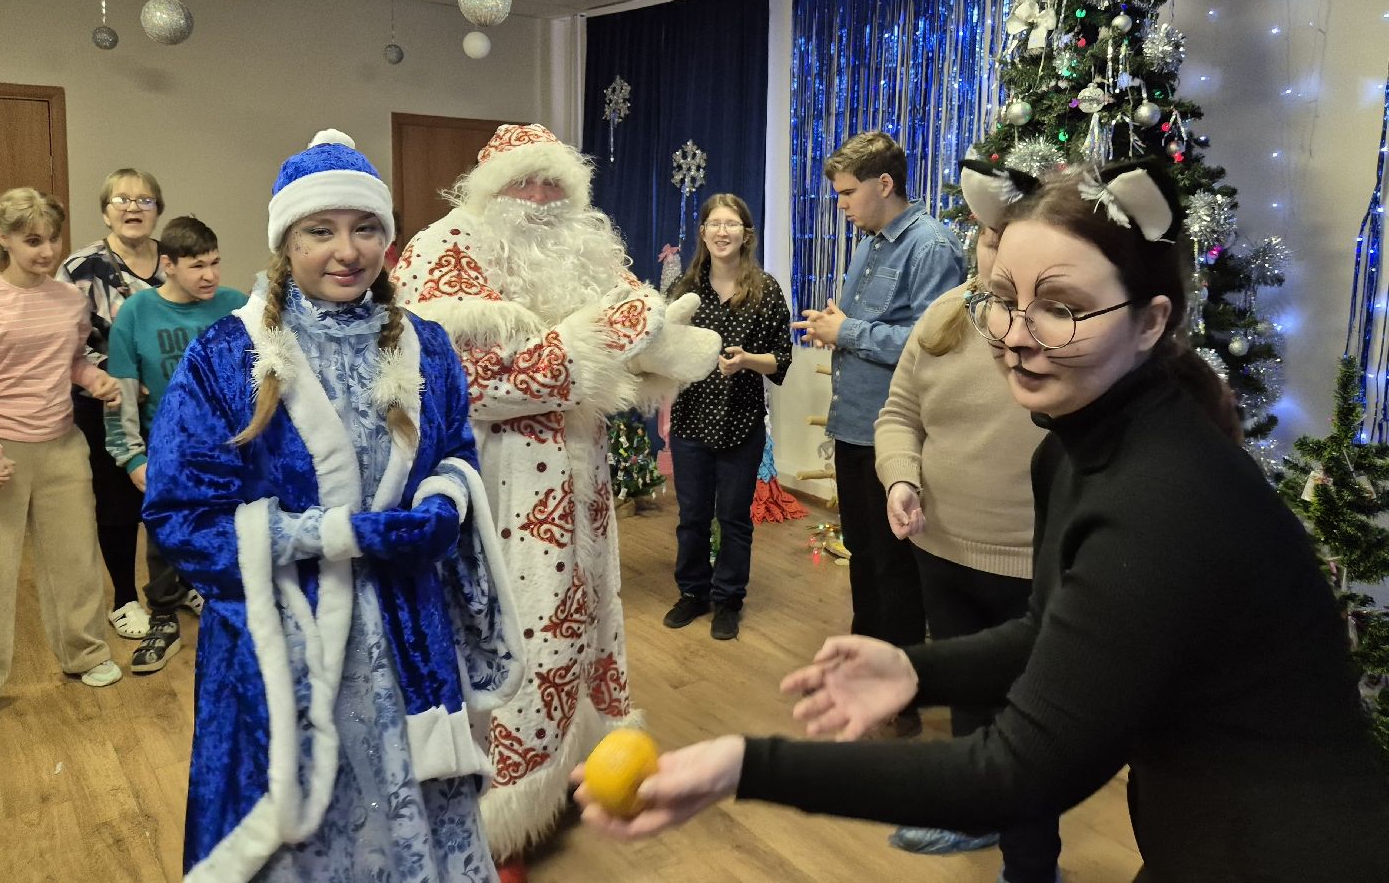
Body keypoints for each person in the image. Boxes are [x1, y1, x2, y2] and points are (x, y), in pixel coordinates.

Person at [572, 161, 1389, 881]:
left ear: (1150, 322)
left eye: (1060, 307)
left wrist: (744, 764)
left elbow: (1014, 775)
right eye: (1002, 300)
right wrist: (917, 672)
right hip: (1197, 836)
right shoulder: (1070, 448)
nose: (1014, 337)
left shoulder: (1163, 497)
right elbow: (1051, 629)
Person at [141, 136, 526, 882]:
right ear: (287, 241)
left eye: (366, 229)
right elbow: (184, 512)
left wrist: (446, 502)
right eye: (321, 231)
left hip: (408, 630)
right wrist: (332, 533)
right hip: (284, 642)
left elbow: (453, 451)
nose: (347, 252)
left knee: (415, 811)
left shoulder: (427, 346)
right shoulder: (227, 354)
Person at [391, 123, 720, 879]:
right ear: (489, 189)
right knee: (504, 634)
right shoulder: (442, 251)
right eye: (524, 183)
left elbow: (634, 337)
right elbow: (459, 383)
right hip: (490, 485)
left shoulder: (587, 250)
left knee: (582, 620)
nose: (540, 200)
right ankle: (492, 812)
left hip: (579, 480)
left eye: (556, 186)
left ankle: (566, 769)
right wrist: (588, 347)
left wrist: (645, 343)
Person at [873, 221, 1061, 880]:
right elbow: (899, 416)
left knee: (1026, 729)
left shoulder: (1066, 329)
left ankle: (1031, 867)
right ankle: (974, 817)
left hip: (1032, 569)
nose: (999, 249)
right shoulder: (945, 315)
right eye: (989, 234)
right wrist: (901, 478)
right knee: (969, 704)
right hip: (942, 552)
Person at [0, 188, 124, 735]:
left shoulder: (70, 299)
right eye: (32, 241)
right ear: (2, 239)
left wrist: (93, 378)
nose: (47, 250)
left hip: (62, 448)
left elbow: (69, 360)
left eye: (52, 239)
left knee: (75, 562)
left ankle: (86, 653)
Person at [793, 131, 965, 684]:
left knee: (896, 565)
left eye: (847, 194)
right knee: (862, 551)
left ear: (884, 184)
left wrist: (849, 330)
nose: (841, 207)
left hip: (895, 434)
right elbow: (865, 324)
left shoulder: (931, 246)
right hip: (853, 422)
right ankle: (866, 660)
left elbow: (934, 342)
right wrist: (834, 327)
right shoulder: (869, 241)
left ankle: (901, 682)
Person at [104, 215, 247, 674]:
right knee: (165, 536)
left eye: (216, 263)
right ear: (168, 264)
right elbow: (122, 388)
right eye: (197, 266)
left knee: (226, 531)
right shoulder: (137, 312)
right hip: (165, 444)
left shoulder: (236, 306)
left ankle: (221, 604)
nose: (210, 276)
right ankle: (163, 616)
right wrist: (130, 455)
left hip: (227, 445)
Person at [663, 194, 792, 641]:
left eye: (731, 224)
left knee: (735, 518)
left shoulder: (766, 289)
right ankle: (693, 593)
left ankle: (729, 599)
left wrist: (747, 361)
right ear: (702, 233)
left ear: (746, 234)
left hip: (741, 423)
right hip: (692, 422)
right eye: (714, 224)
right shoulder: (684, 290)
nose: (722, 232)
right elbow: (663, 351)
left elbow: (781, 359)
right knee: (693, 516)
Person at [58, 168, 168, 641]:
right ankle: (125, 598)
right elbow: (65, 342)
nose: (133, 208)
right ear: (105, 210)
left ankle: (173, 586)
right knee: (119, 504)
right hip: (104, 404)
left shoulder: (175, 260)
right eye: (121, 200)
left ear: (157, 210)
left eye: (144, 200)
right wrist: (117, 380)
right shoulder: (82, 267)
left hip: (167, 407)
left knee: (170, 496)